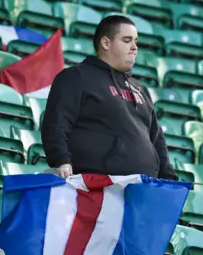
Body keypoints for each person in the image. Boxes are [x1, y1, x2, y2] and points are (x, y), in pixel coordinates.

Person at [41, 15, 178, 181]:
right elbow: (56, 123)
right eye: (127, 40)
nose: (134, 47)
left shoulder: (141, 89)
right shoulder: (76, 77)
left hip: (142, 191)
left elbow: (157, 141)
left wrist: (169, 179)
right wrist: (61, 160)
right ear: (105, 43)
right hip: (95, 189)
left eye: (136, 41)